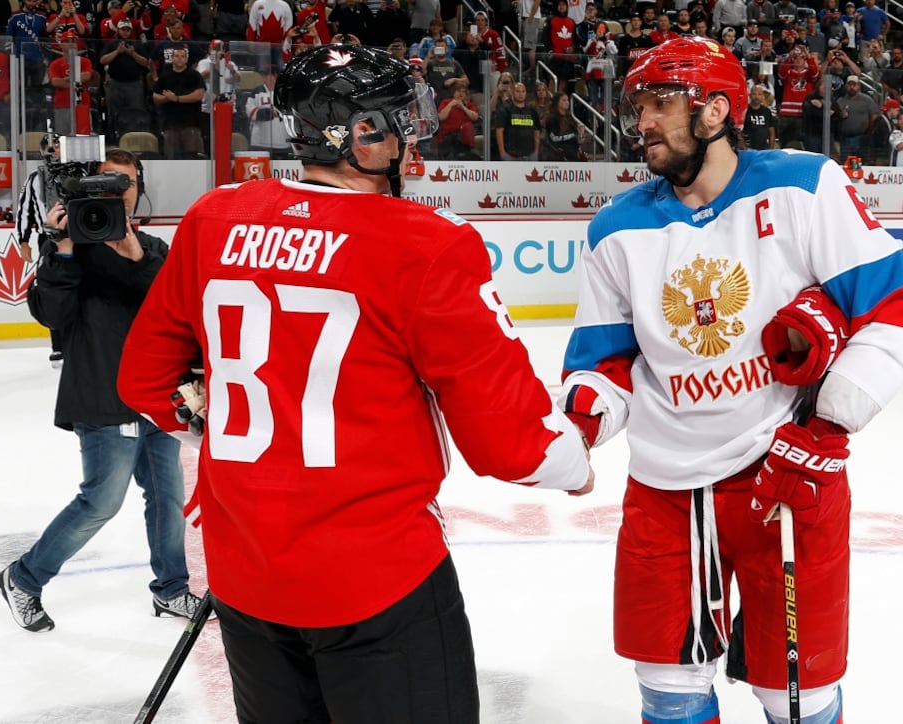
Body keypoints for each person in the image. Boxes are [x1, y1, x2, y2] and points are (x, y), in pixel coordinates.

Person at [115, 43, 594, 723]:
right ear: (361, 134)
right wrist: (575, 462)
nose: (410, 135)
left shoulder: (213, 219)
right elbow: (510, 444)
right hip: (377, 579)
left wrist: (227, 424)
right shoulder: (424, 242)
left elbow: (146, 381)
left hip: (245, 575)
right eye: (399, 120)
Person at [562, 36, 903, 724]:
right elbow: (602, 362)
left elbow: (892, 314)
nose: (642, 121)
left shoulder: (804, 187)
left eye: (660, 104)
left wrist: (825, 430)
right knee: (668, 687)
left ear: (715, 110)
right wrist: (576, 425)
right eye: (639, 106)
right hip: (666, 489)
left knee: (797, 696)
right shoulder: (616, 228)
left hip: (787, 473)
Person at [0, 146, 206, 632]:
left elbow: (182, 309)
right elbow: (51, 316)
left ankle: (171, 589)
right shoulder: (70, 248)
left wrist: (136, 256)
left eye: (126, 183)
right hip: (101, 397)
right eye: (107, 182)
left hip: (158, 399)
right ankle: (23, 578)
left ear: (139, 189)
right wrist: (63, 248)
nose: (118, 192)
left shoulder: (153, 249)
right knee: (101, 501)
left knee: (166, 499)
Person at [151, 45, 205, 158]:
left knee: (192, 156)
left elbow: (199, 95)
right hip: (170, 124)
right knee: (171, 156)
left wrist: (177, 98)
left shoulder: (195, 75)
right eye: (177, 56)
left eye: (182, 56)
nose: (179, 58)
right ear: (172, 59)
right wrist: (166, 98)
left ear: (186, 59)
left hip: (191, 123)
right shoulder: (164, 76)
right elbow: (155, 97)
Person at [496, 79, 541, 160]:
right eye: (518, 91)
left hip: (530, 154)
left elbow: (537, 131)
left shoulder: (532, 110)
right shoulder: (505, 109)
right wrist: (502, 152)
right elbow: (499, 131)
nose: (521, 94)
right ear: (512, 92)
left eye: (523, 91)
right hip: (511, 154)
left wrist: (536, 151)